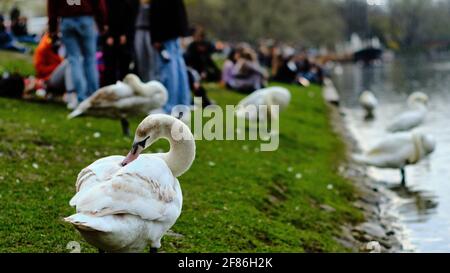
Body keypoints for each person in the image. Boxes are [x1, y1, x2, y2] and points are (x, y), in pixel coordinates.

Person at [47, 0, 108, 109]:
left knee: (74, 59)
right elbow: (98, 3)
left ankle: (81, 97)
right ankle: (94, 97)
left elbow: (52, 5)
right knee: (90, 59)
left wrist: (52, 28)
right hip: (86, 19)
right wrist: (102, 23)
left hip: (67, 20)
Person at [150, 0, 191, 113]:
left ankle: (169, 105)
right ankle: (183, 103)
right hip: (175, 32)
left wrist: (156, 36)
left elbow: (159, 11)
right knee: (179, 67)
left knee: (169, 70)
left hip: (165, 34)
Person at [102, 0, 138, 86]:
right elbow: (105, 14)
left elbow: (131, 13)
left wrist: (126, 33)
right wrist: (108, 34)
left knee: (125, 65)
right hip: (111, 36)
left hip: (124, 35)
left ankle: (125, 88)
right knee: (110, 67)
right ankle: (111, 90)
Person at [32, 32, 74, 99]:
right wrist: (56, 67)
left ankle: (73, 92)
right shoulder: (42, 49)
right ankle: (70, 93)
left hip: (55, 78)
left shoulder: (56, 50)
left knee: (72, 62)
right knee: (68, 62)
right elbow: (40, 69)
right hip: (47, 80)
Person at [134, 0, 158, 82]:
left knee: (152, 60)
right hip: (139, 30)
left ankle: (152, 82)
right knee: (141, 60)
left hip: (150, 31)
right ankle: (143, 82)